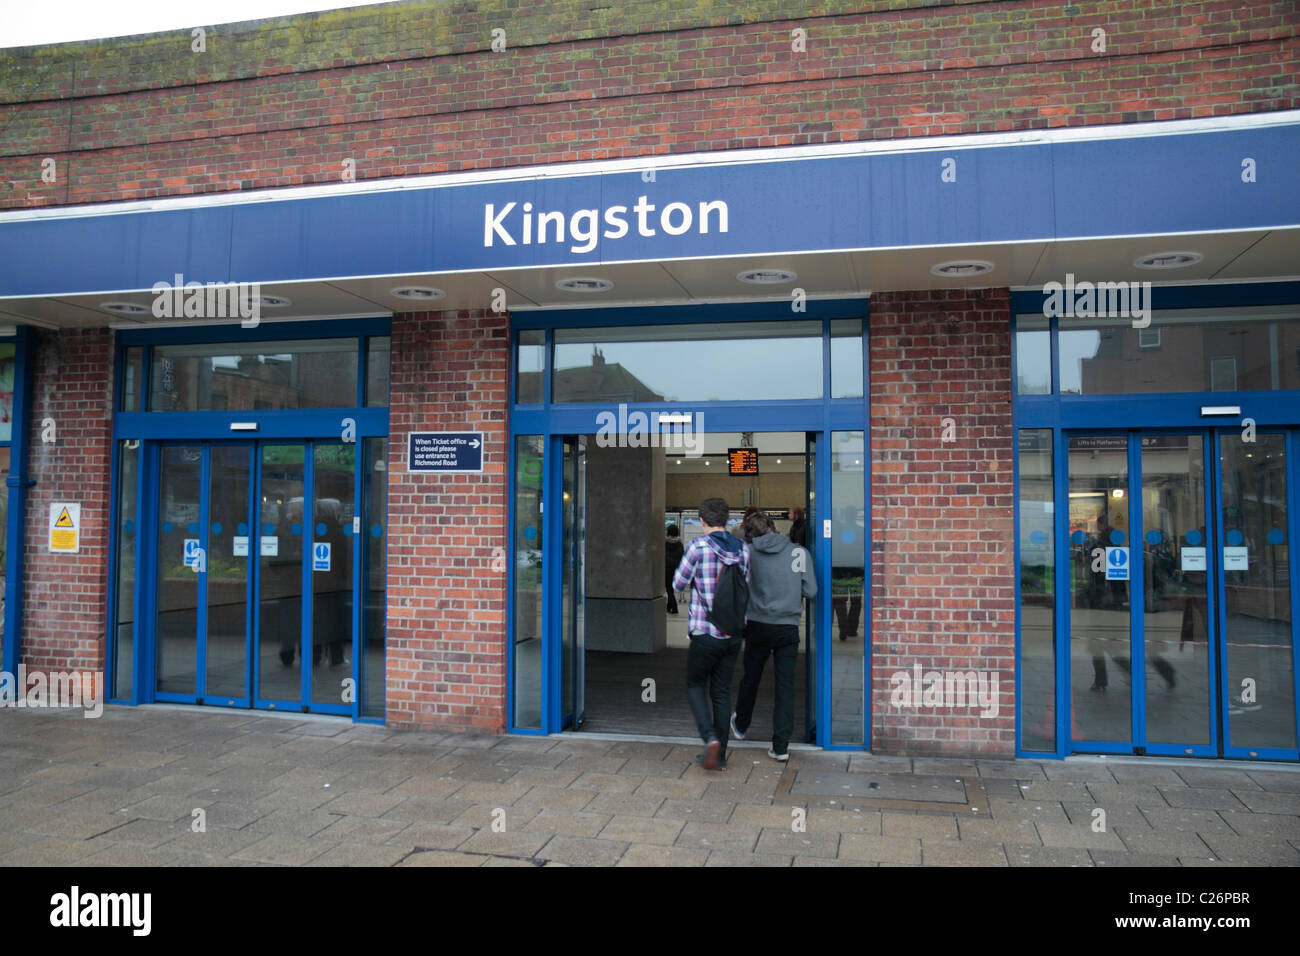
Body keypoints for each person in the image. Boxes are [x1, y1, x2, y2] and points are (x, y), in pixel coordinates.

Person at [672, 497, 750, 772]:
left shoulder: (697, 547)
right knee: (721, 691)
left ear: (702, 521)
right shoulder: (743, 549)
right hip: (733, 633)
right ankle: (722, 756)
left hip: (704, 631)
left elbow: (678, 583)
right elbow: (746, 586)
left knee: (695, 686)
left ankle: (710, 739)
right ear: (727, 520)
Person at [731, 511, 816, 761]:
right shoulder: (799, 553)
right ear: (774, 528)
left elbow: (739, 587)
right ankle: (780, 747)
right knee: (785, 687)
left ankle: (741, 724)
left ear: (750, 535)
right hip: (787, 627)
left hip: (757, 625)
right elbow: (811, 591)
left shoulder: (747, 554)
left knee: (751, 678)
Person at [664, 523, 684, 614]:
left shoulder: (665, 543)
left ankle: (674, 607)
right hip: (676, 569)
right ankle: (669, 607)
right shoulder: (680, 544)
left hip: (667, 568)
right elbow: (682, 556)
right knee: (671, 588)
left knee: (669, 589)